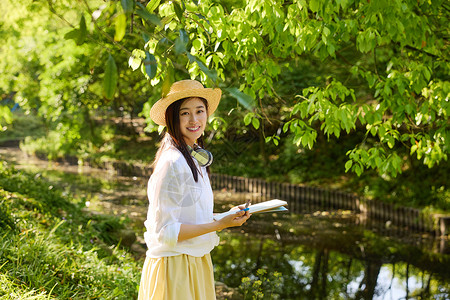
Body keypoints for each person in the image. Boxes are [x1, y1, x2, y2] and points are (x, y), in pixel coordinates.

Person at [138, 79, 251, 300]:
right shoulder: (172, 162)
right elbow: (166, 232)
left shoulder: (193, 155)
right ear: (172, 118)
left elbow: (189, 216)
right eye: (184, 113)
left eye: (200, 111)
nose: (194, 120)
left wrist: (225, 216)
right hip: (175, 267)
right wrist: (218, 224)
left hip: (196, 260)